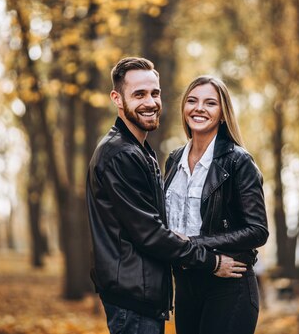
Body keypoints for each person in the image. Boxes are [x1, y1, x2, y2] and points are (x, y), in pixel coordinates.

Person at [86, 58, 243, 334]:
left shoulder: (140, 151)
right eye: (139, 94)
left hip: (141, 294)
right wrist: (211, 261)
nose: (150, 102)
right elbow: (150, 233)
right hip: (133, 297)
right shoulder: (121, 154)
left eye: (154, 93)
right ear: (117, 98)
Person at [164, 75, 269, 334]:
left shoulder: (238, 161)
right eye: (192, 101)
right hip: (186, 286)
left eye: (210, 103)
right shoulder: (173, 160)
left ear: (222, 114)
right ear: (184, 108)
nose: (199, 108)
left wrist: (194, 242)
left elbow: (258, 230)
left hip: (229, 288)